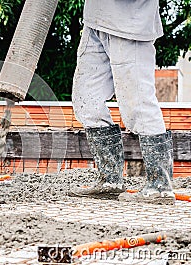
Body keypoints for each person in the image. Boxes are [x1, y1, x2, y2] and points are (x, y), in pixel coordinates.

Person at [70, 0, 175, 205]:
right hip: (95, 21)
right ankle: (109, 181)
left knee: (138, 104)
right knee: (86, 100)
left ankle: (160, 186)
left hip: (130, 25)